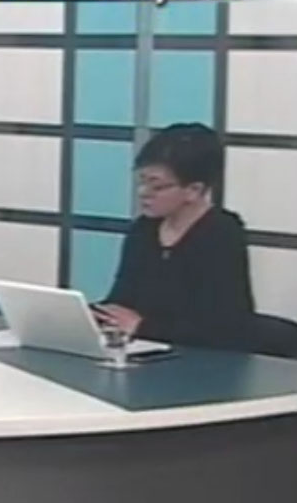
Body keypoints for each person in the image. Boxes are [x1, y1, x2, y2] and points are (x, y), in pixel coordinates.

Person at [93, 123, 255, 350]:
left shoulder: (222, 234)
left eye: (157, 187)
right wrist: (92, 316)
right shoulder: (143, 229)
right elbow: (122, 300)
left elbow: (223, 327)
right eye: (142, 181)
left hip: (202, 359)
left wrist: (143, 327)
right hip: (146, 352)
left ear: (194, 190)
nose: (143, 193)